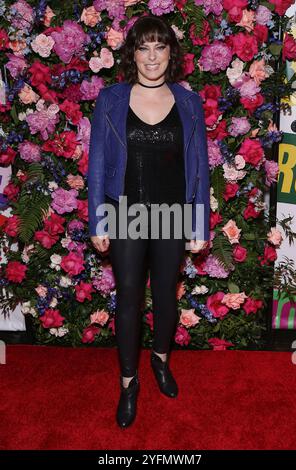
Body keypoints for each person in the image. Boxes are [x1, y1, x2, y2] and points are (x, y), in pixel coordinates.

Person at [88, 15, 210, 428]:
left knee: (165, 297)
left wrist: (199, 226)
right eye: (144, 47)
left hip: (173, 213)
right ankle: (128, 383)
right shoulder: (111, 99)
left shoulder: (190, 103)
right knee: (128, 297)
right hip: (124, 212)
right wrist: (98, 221)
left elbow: (199, 169)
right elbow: (99, 164)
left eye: (160, 47)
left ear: (170, 53)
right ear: (133, 53)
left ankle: (159, 359)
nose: (152, 56)